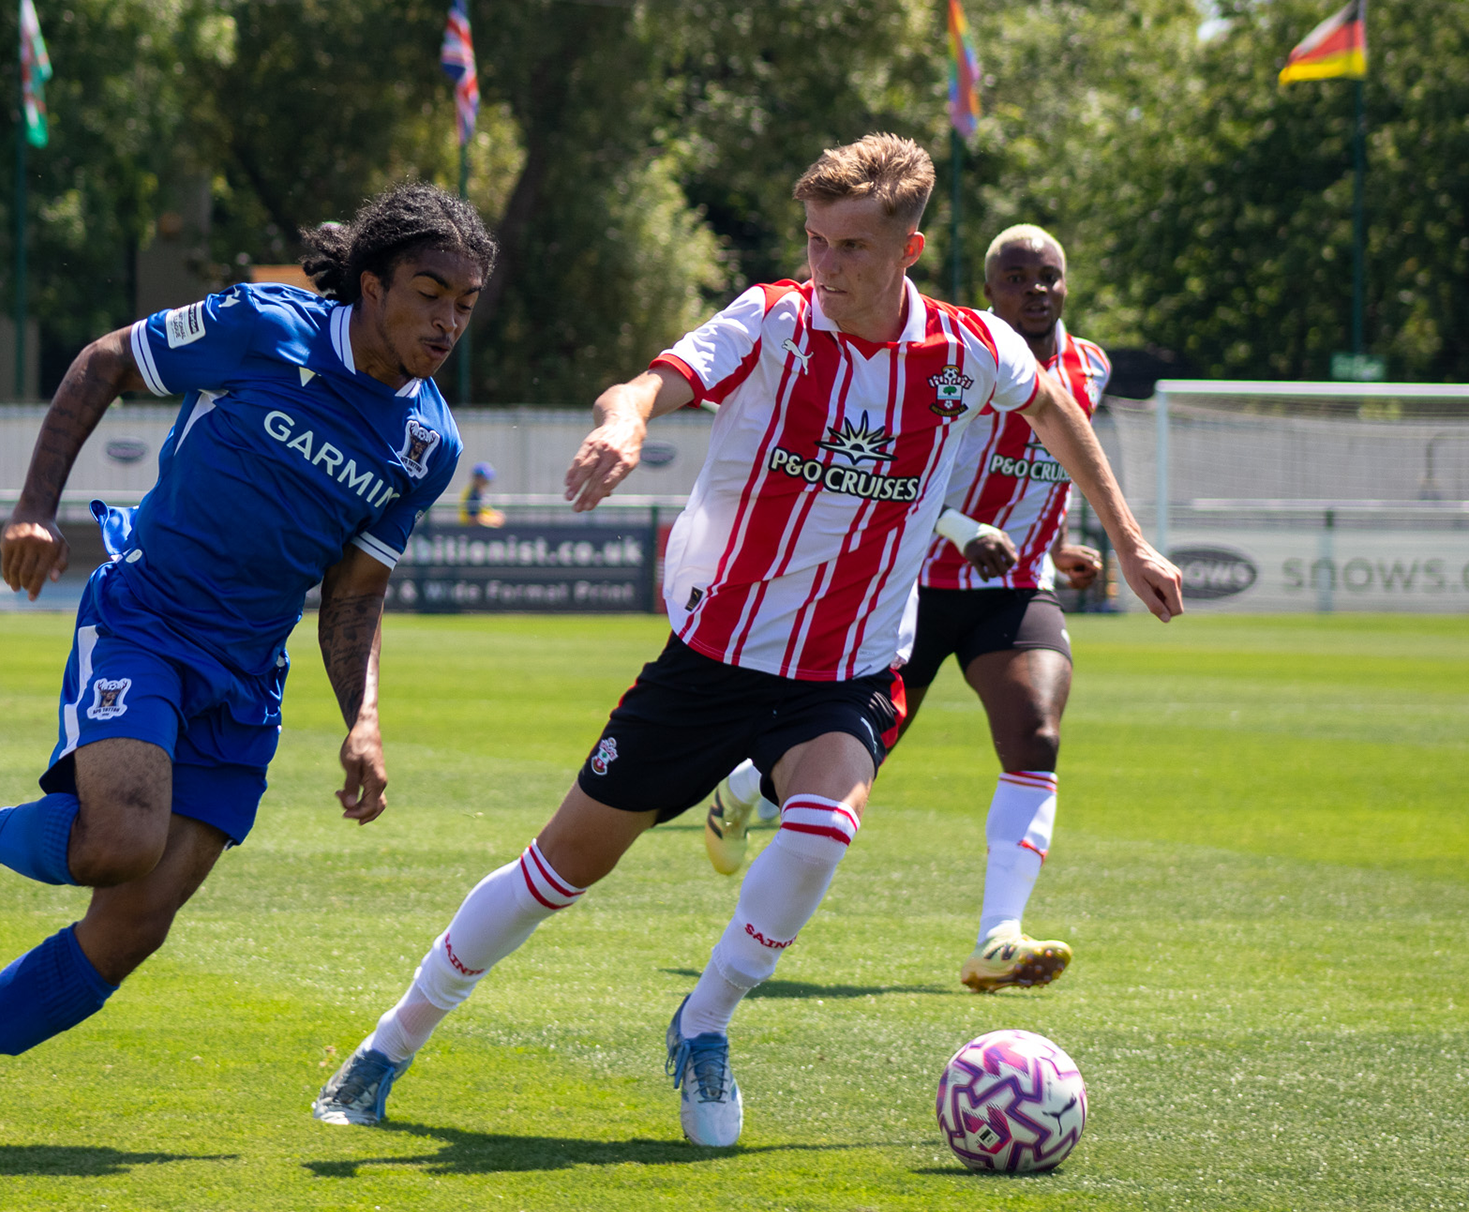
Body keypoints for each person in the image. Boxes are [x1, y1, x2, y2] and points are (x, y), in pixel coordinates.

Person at [313, 136, 1181, 1148]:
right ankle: (389, 1044)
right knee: (559, 869)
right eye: (816, 240)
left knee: (822, 823)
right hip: (713, 659)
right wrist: (625, 425)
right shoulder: (771, 321)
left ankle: (704, 1020)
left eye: (854, 244)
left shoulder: (967, 351)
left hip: (848, 670)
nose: (829, 265)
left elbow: (1053, 406)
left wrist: (1127, 536)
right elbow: (649, 383)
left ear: (911, 244)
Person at [0, 184, 496, 1148]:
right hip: (149, 615)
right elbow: (104, 359)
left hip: (248, 672)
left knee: (133, 925)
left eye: (465, 305)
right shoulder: (262, 327)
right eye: (430, 293)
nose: (448, 322)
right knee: (117, 841)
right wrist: (31, 509)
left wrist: (364, 718)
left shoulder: (429, 444)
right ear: (371, 283)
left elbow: (352, 595)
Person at [701, 224, 1113, 996]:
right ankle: (751, 786)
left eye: (1049, 275)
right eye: (1018, 277)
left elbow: (1044, 475)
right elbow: (912, 467)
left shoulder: (1089, 366)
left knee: (1036, 732)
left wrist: (1058, 551)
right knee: (851, 762)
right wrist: (961, 529)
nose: (1038, 289)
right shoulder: (964, 355)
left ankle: (1000, 936)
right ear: (990, 292)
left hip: (1014, 588)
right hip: (910, 583)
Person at [459, 462, 505, 526]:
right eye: (484, 478)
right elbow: (473, 519)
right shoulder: (473, 494)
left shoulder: (478, 492)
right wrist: (494, 520)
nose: (486, 482)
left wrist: (495, 515)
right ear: (477, 478)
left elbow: (483, 511)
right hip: (472, 532)